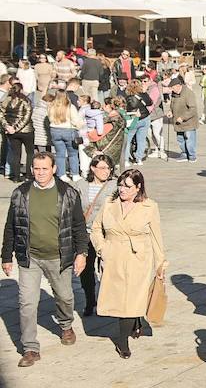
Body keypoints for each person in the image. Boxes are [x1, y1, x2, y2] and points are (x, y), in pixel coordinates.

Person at [2, 151, 87, 366]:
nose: (40, 173)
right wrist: (6, 255)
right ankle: (30, 348)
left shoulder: (68, 193)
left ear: (54, 169)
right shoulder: (21, 193)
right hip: (30, 258)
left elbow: (78, 226)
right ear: (31, 169)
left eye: (44, 169)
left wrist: (81, 253)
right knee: (27, 303)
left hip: (59, 257)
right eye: (36, 169)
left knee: (65, 297)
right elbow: (11, 226)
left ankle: (66, 324)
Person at [90, 168, 167, 361]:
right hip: (113, 255)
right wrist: (102, 249)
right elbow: (96, 228)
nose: (122, 189)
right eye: (120, 185)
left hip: (138, 258)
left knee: (132, 299)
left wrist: (161, 264)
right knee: (118, 298)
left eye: (127, 186)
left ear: (138, 187)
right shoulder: (109, 204)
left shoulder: (150, 207)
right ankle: (132, 324)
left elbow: (157, 237)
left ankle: (122, 340)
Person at [73, 154, 116, 317]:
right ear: (93, 168)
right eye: (103, 168)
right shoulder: (80, 185)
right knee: (86, 269)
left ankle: (108, 300)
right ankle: (90, 300)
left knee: (107, 267)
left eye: (109, 168)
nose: (107, 171)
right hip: (85, 234)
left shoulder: (114, 186)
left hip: (106, 234)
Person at [45, 90, 83, 179]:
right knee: (73, 154)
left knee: (59, 154)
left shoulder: (51, 106)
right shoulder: (70, 107)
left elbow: (49, 119)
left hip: (55, 130)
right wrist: (80, 126)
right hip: (68, 130)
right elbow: (75, 121)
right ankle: (75, 174)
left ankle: (61, 174)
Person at [2, 81, 34, 181]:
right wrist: (16, 128)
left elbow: (1, 114)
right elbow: (27, 116)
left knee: (16, 154)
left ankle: (16, 176)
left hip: (11, 131)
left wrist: (7, 126)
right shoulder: (26, 100)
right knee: (29, 153)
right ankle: (28, 175)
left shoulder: (6, 100)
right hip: (26, 130)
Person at [166, 77, 199, 162]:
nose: (172, 90)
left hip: (189, 122)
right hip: (178, 122)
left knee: (189, 139)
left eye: (172, 88)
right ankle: (184, 154)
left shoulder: (188, 93)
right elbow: (172, 105)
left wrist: (183, 117)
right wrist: (170, 111)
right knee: (180, 139)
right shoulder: (174, 94)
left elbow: (193, 109)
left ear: (178, 86)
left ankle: (192, 156)